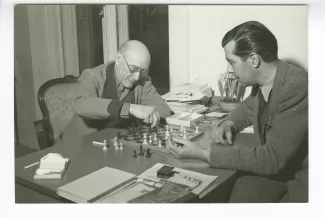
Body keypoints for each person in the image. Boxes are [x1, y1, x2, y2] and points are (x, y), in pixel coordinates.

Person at [166, 21, 308, 203]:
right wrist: (229, 123)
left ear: (254, 60)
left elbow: (272, 159)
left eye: (231, 63)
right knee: (238, 189)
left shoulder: (296, 86)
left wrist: (204, 153)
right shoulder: (267, 81)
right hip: (280, 172)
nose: (229, 71)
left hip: (303, 181)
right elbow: (248, 108)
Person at [62, 40, 171, 141]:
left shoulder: (142, 82)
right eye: (133, 69)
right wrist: (130, 108)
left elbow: (165, 111)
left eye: (142, 71)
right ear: (118, 58)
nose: (137, 77)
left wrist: (148, 114)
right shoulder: (91, 76)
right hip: (80, 143)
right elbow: (82, 105)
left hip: (115, 144)